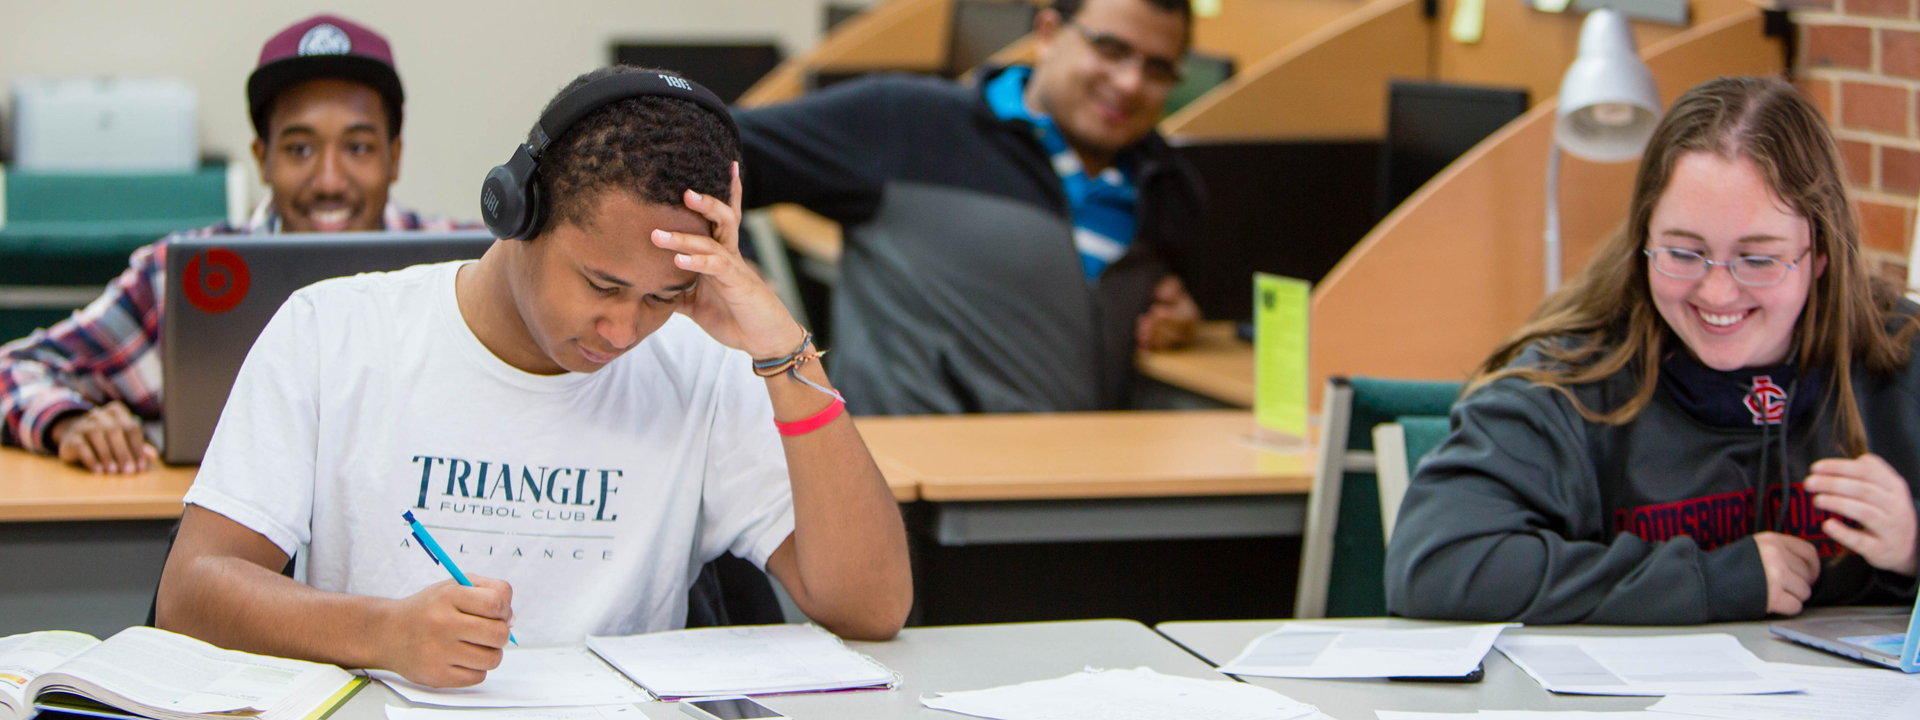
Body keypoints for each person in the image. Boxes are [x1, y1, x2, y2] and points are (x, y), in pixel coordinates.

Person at [154, 66, 913, 688]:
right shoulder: (334, 330)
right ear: (518, 212)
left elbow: (871, 607)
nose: (623, 331)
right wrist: (379, 633)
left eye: (663, 296)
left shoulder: (704, 368)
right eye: (602, 284)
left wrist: (787, 350)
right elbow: (190, 592)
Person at [1386, 77, 1920, 625]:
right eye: (1684, 253)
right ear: (1643, 240)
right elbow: (1435, 565)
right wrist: (1709, 581)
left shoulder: (1902, 359)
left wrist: (1914, 545)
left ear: (1822, 255)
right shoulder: (1570, 381)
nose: (1717, 293)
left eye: (1757, 260)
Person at [0, 14, 465, 474]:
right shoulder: (182, 276)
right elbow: (13, 370)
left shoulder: (462, 269)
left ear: (394, 156)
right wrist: (68, 421)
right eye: (300, 149)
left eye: (358, 147)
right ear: (263, 160)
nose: (329, 180)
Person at [734, 0, 1204, 415]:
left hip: (1074, 482)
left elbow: (1179, 299)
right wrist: (742, 272)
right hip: (916, 480)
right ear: (1047, 34)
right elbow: (718, 147)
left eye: (1158, 69)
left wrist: (1183, 316)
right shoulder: (905, 123)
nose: (1129, 82)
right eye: (1111, 49)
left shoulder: (1166, 181)